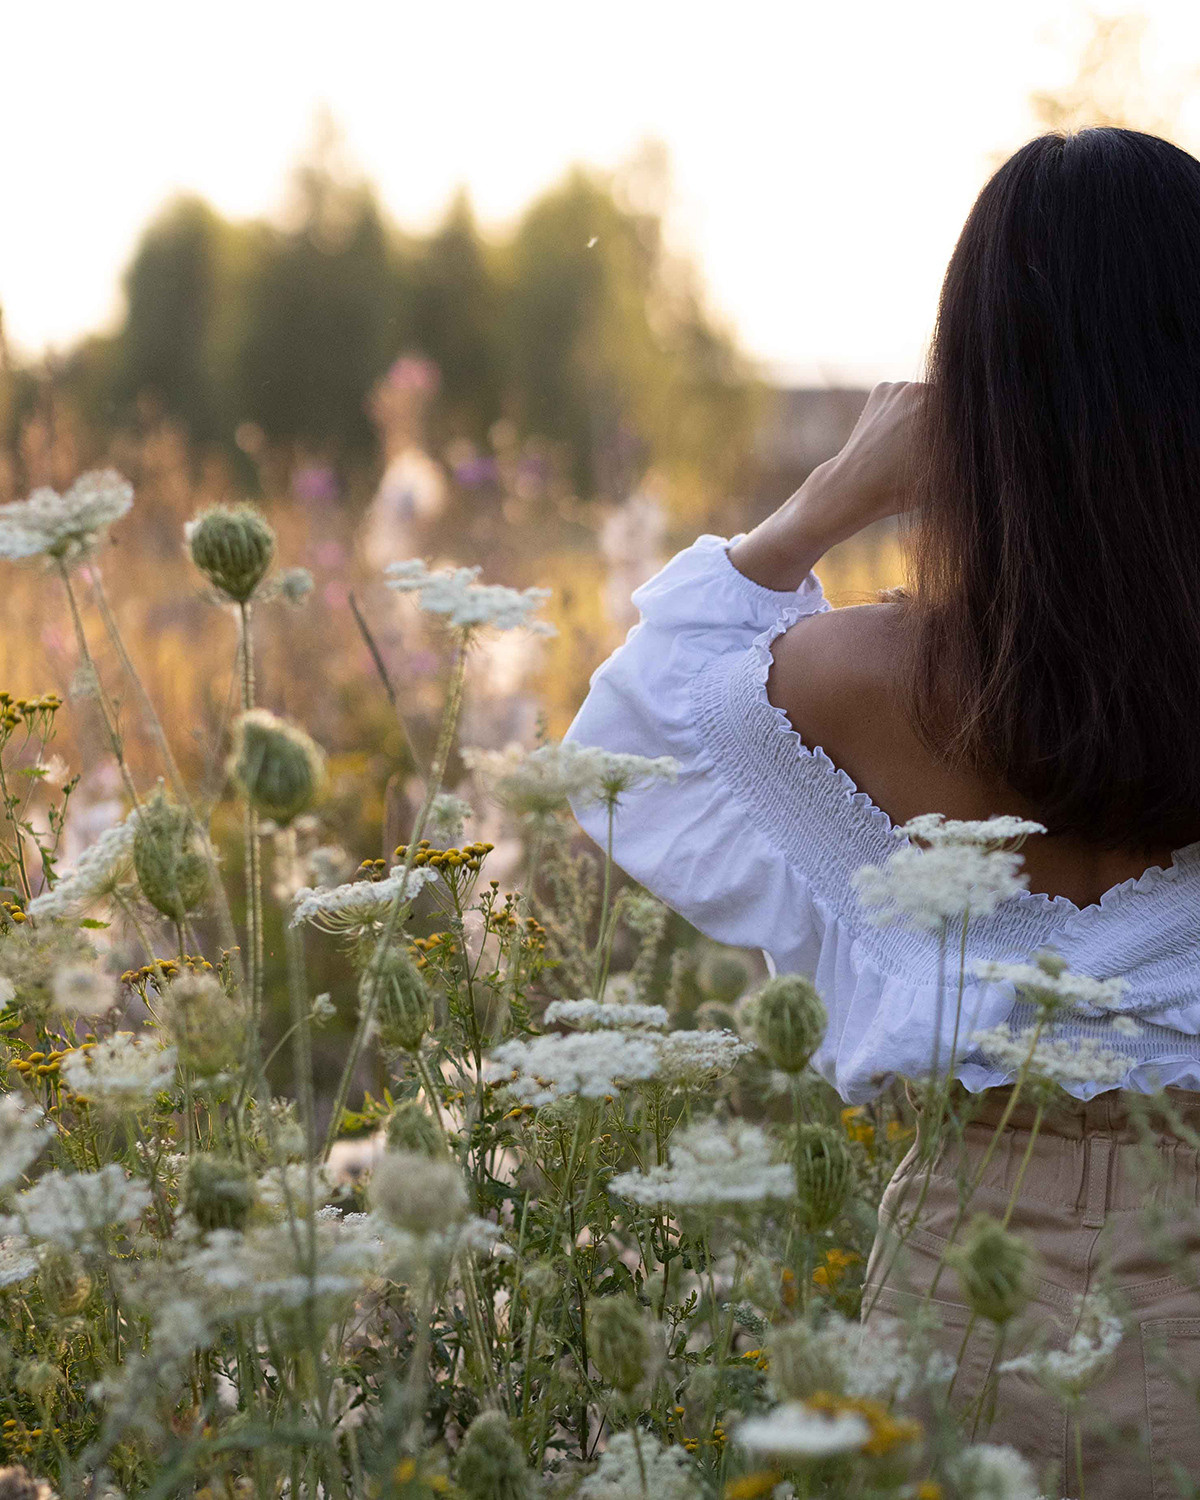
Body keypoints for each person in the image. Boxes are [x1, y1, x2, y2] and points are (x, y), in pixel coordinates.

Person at [562, 128, 1200, 1497]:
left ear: (971, 401)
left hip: (958, 1296)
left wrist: (825, 500)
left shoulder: (865, 681)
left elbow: (623, 749)